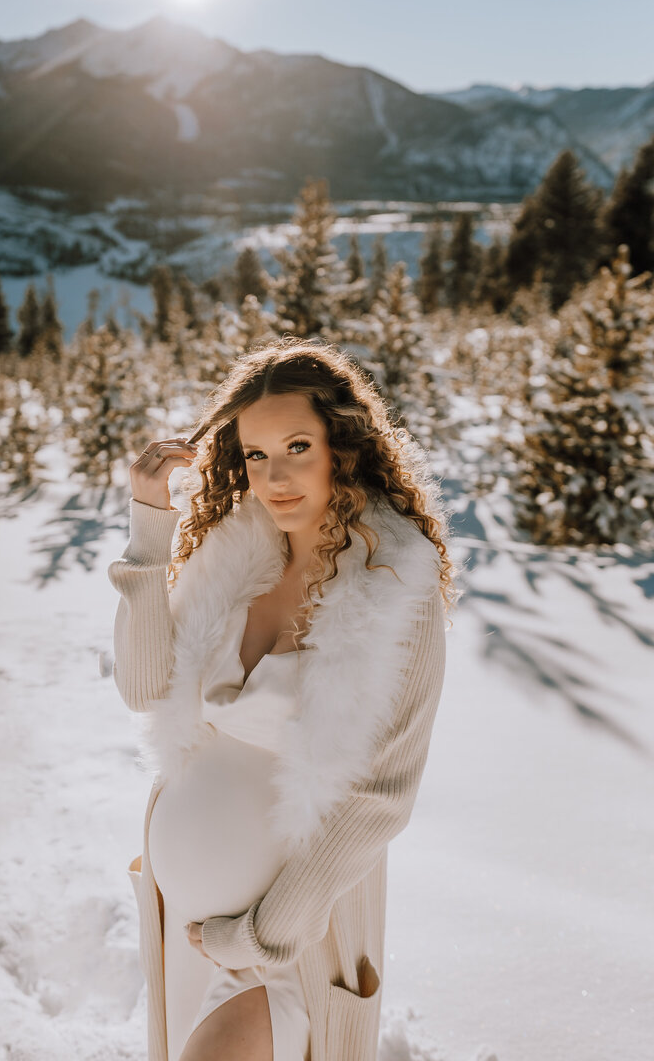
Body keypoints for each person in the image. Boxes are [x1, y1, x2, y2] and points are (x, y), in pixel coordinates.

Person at [108, 336, 459, 1061]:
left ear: (346, 444)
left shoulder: (396, 588)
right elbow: (146, 686)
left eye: (297, 446)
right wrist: (150, 523)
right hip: (190, 934)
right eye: (257, 455)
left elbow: (380, 797)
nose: (276, 477)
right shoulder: (237, 556)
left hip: (288, 944)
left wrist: (264, 933)